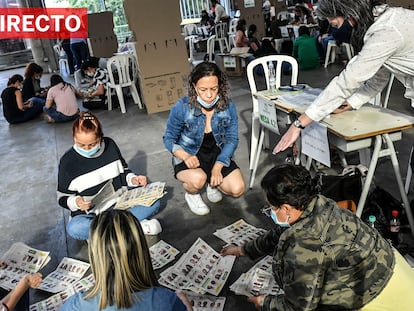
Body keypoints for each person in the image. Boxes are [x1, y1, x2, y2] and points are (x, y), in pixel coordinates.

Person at [221, 164, 414, 310]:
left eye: (271, 207)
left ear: (286, 208)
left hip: (380, 300)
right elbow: (281, 232)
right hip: (398, 272)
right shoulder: (318, 202)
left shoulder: (304, 245)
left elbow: (299, 307)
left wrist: (265, 302)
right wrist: (242, 250)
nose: (269, 212)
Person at [274, 0, 414, 154]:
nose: (336, 32)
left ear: (351, 15)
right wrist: (350, 103)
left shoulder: (386, 30)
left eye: (336, 25)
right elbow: (378, 78)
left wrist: (299, 124)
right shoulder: (385, 21)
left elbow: (349, 80)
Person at [57, 112, 161, 241]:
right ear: (74, 138)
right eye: (81, 145)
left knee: (154, 202)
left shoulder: (110, 145)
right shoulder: (68, 162)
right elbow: (62, 197)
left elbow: (123, 172)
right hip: (92, 216)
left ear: (101, 137)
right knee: (75, 228)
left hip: (119, 206)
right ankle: (131, 227)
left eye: (93, 144)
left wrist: (133, 179)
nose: (87, 149)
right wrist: (77, 202)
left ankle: (104, 234)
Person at [60, 210, 191, 311]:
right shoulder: (165, 299)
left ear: (96, 255)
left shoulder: (76, 305)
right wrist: (186, 305)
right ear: (141, 250)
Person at [163, 62, 245, 216]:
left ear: (220, 86)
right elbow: (168, 139)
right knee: (197, 179)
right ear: (194, 87)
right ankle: (192, 195)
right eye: (203, 89)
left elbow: (232, 139)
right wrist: (184, 155)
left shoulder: (228, 106)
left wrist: (218, 165)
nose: (209, 95)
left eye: (214, 89)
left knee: (237, 189)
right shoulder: (181, 107)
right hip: (190, 155)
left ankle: (211, 184)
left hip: (217, 155)